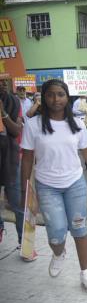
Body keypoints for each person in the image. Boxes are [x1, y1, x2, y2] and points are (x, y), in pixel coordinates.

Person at [20, 79, 87, 293]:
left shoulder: (78, 124)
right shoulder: (33, 125)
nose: (56, 99)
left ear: (67, 97)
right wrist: (25, 188)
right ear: (44, 97)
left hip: (75, 184)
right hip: (47, 186)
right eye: (51, 95)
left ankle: (86, 272)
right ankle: (59, 252)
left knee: (79, 229)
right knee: (56, 233)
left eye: (60, 94)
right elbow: (26, 159)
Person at [0, 79, 23, 248]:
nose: (2, 84)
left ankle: (24, 242)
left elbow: (15, 131)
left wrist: (3, 113)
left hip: (10, 159)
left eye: (3, 81)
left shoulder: (14, 101)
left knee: (18, 203)